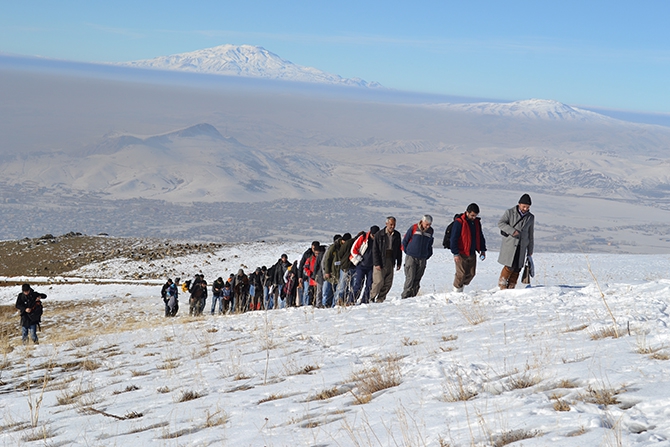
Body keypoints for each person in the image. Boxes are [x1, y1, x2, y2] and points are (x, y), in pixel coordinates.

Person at [497, 194, 535, 289]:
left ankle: (511, 287)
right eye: (524, 206)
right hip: (510, 244)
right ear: (519, 204)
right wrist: (512, 231)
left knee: (518, 267)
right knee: (509, 266)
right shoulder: (509, 212)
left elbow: (530, 235)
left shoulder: (530, 217)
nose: (525, 209)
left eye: (528, 207)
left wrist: (530, 250)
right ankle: (502, 285)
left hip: (522, 246)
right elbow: (501, 223)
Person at [450, 203, 487, 292]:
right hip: (461, 252)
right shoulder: (459, 222)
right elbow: (453, 238)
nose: (474, 217)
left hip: (471, 252)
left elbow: (480, 236)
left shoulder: (477, 223)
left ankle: (460, 288)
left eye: (475, 215)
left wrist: (482, 249)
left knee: (471, 274)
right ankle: (456, 292)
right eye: (472, 215)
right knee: (461, 274)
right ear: (467, 213)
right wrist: (455, 253)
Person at [401, 215, 434, 299]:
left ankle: (413, 298)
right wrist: (408, 252)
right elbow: (405, 241)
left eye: (429, 224)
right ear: (422, 222)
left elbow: (430, 244)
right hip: (411, 257)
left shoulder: (430, 231)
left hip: (422, 258)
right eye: (426, 224)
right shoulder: (414, 228)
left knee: (417, 279)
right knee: (410, 278)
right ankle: (405, 297)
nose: (428, 226)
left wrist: (427, 254)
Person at [371, 217, 402, 303]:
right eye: (391, 224)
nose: (392, 226)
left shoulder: (397, 235)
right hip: (380, 260)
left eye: (394, 224)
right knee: (378, 281)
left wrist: (399, 262)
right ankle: (371, 297)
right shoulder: (379, 234)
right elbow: (375, 250)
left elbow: (399, 250)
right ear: (386, 224)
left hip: (390, 260)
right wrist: (376, 263)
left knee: (388, 282)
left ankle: (380, 299)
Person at [349, 225, 380, 304]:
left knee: (369, 285)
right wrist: (359, 258)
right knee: (358, 284)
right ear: (370, 233)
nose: (374, 237)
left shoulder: (379, 240)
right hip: (361, 265)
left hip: (371, 266)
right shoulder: (363, 238)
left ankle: (364, 301)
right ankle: (351, 301)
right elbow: (353, 250)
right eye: (373, 235)